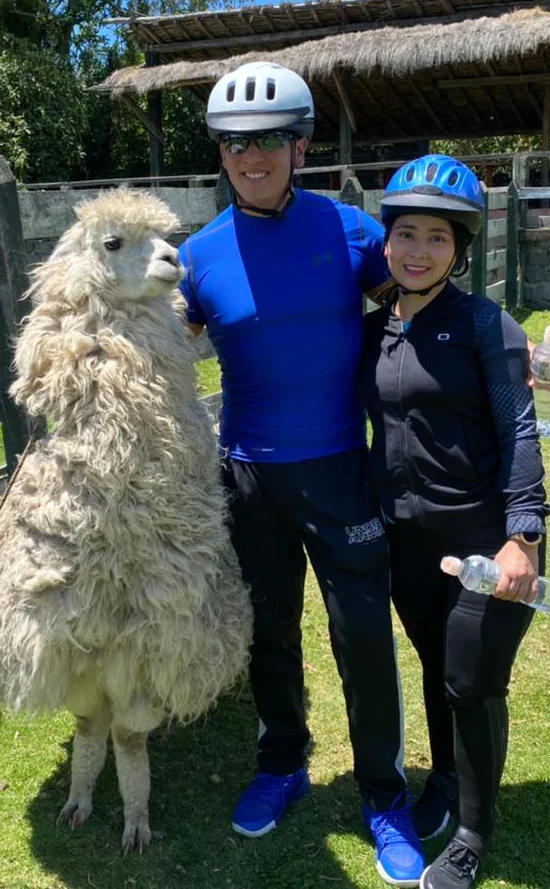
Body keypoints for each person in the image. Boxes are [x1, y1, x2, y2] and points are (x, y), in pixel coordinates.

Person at [179, 61, 425, 887]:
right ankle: (282, 761)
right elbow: (152, 350)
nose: (253, 155)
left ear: (300, 145)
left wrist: (513, 356)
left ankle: (384, 795)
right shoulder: (199, 257)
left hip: (340, 471)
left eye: (271, 139)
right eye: (236, 142)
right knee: (269, 631)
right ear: (221, 152)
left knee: (362, 634)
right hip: (248, 477)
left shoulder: (352, 232)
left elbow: (423, 305)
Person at [358, 154, 550, 889]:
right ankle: (445, 777)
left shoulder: (483, 324)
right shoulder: (375, 330)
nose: (417, 250)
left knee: (471, 679)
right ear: (387, 242)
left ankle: (473, 831)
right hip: (408, 537)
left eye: (437, 238)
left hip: (486, 538)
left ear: (460, 248)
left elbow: (520, 430)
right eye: (405, 233)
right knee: (438, 667)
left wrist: (522, 536)